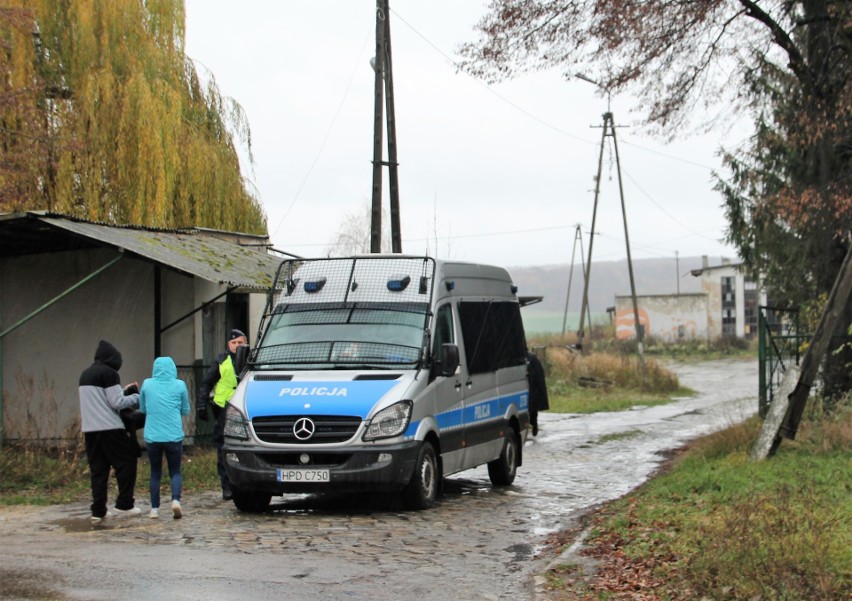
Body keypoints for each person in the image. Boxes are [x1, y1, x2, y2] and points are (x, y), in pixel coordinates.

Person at [79, 340, 143, 524]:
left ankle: (98, 511)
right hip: (110, 428)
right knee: (128, 461)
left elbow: (102, 399)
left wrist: (124, 391)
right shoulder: (109, 374)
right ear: (114, 360)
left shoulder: (85, 375)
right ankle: (125, 504)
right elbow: (116, 403)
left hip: (90, 430)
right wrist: (138, 397)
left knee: (98, 471)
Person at [197, 328, 248, 500]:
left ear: (246, 343)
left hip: (244, 406)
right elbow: (206, 383)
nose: (237, 346)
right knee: (223, 447)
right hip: (224, 408)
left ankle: (243, 484)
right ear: (228, 344)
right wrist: (201, 405)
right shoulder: (221, 361)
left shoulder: (251, 360)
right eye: (234, 343)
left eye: (240, 342)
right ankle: (226, 486)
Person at [139, 356, 190, 519]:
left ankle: (154, 509)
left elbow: (142, 408)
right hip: (174, 435)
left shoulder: (147, 384)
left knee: (155, 472)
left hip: (153, 436)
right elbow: (185, 410)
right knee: (175, 471)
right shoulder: (180, 385)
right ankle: (175, 500)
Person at [527, 350, 550, 437]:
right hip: (526, 386)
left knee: (532, 408)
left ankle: (534, 423)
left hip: (532, 386)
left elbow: (538, 376)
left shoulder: (532, 359)